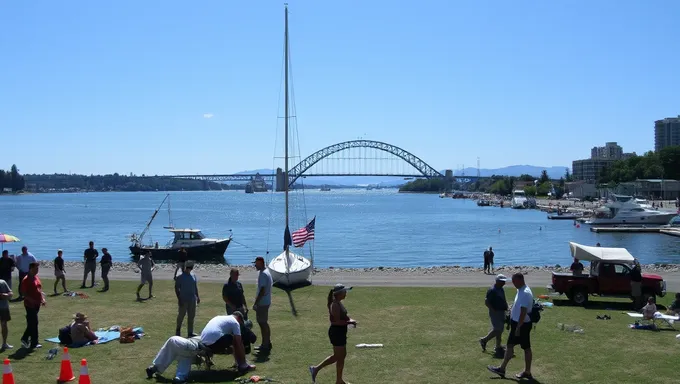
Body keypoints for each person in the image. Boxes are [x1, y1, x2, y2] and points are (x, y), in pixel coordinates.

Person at [488, 272, 534, 380]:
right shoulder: (521, 290)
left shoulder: (525, 293)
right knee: (511, 346)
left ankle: (508, 370)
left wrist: (518, 327)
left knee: (525, 347)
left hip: (521, 325)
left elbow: (523, 312)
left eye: (514, 281)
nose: (513, 284)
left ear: (520, 280)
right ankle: (503, 369)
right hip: (518, 324)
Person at [309, 284, 357, 384]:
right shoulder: (334, 305)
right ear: (339, 294)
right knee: (339, 356)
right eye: (344, 292)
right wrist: (350, 322)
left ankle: (338, 380)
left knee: (340, 356)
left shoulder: (338, 302)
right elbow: (336, 322)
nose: (346, 293)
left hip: (340, 332)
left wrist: (349, 319)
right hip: (336, 332)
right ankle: (316, 369)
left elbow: (343, 317)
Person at [146, 335, 213, 383]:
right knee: (187, 357)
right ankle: (180, 378)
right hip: (186, 345)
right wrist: (207, 359)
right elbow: (202, 348)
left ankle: (152, 369)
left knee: (168, 355)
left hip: (173, 339)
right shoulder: (203, 340)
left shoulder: (199, 337)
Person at [479, 274, 509, 357]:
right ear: (497, 281)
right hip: (496, 312)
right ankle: (484, 340)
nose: (504, 283)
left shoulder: (501, 289)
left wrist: (507, 307)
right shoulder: (492, 290)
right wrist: (493, 310)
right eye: (502, 281)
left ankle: (498, 346)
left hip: (502, 311)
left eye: (504, 281)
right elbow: (486, 302)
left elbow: (503, 299)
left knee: (500, 330)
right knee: (497, 329)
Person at [20, 262, 45, 349]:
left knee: (32, 323)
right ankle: (34, 342)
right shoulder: (26, 280)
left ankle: (25, 338)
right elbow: (24, 293)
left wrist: (42, 299)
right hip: (30, 305)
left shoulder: (36, 277)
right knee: (34, 322)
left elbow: (39, 289)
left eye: (38, 269)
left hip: (37, 304)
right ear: (31, 269)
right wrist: (32, 300)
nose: (37, 270)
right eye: (35, 269)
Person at [252, 256, 273, 352]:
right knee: (264, 323)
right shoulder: (265, 272)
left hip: (262, 303)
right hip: (266, 301)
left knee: (262, 323)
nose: (255, 265)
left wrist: (256, 303)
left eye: (256, 263)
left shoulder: (263, 274)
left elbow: (262, 290)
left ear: (260, 263)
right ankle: (267, 342)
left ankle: (265, 344)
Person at [175, 261, 200, 337]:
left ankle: (190, 332)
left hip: (192, 299)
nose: (190, 269)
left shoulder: (193, 276)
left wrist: (197, 296)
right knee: (181, 316)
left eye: (191, 267)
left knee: (191, 316)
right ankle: (178, 330)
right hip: (183, 299)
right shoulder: (180, 277)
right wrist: (179, 299)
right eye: (189, 267)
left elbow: (195, 287)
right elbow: (176, 288)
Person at [0, 278, 13, 350]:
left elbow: (10, 293)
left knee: (4, 325)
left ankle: (4, 344)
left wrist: (7, 295)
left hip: (3, 307)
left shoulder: (2, 282)